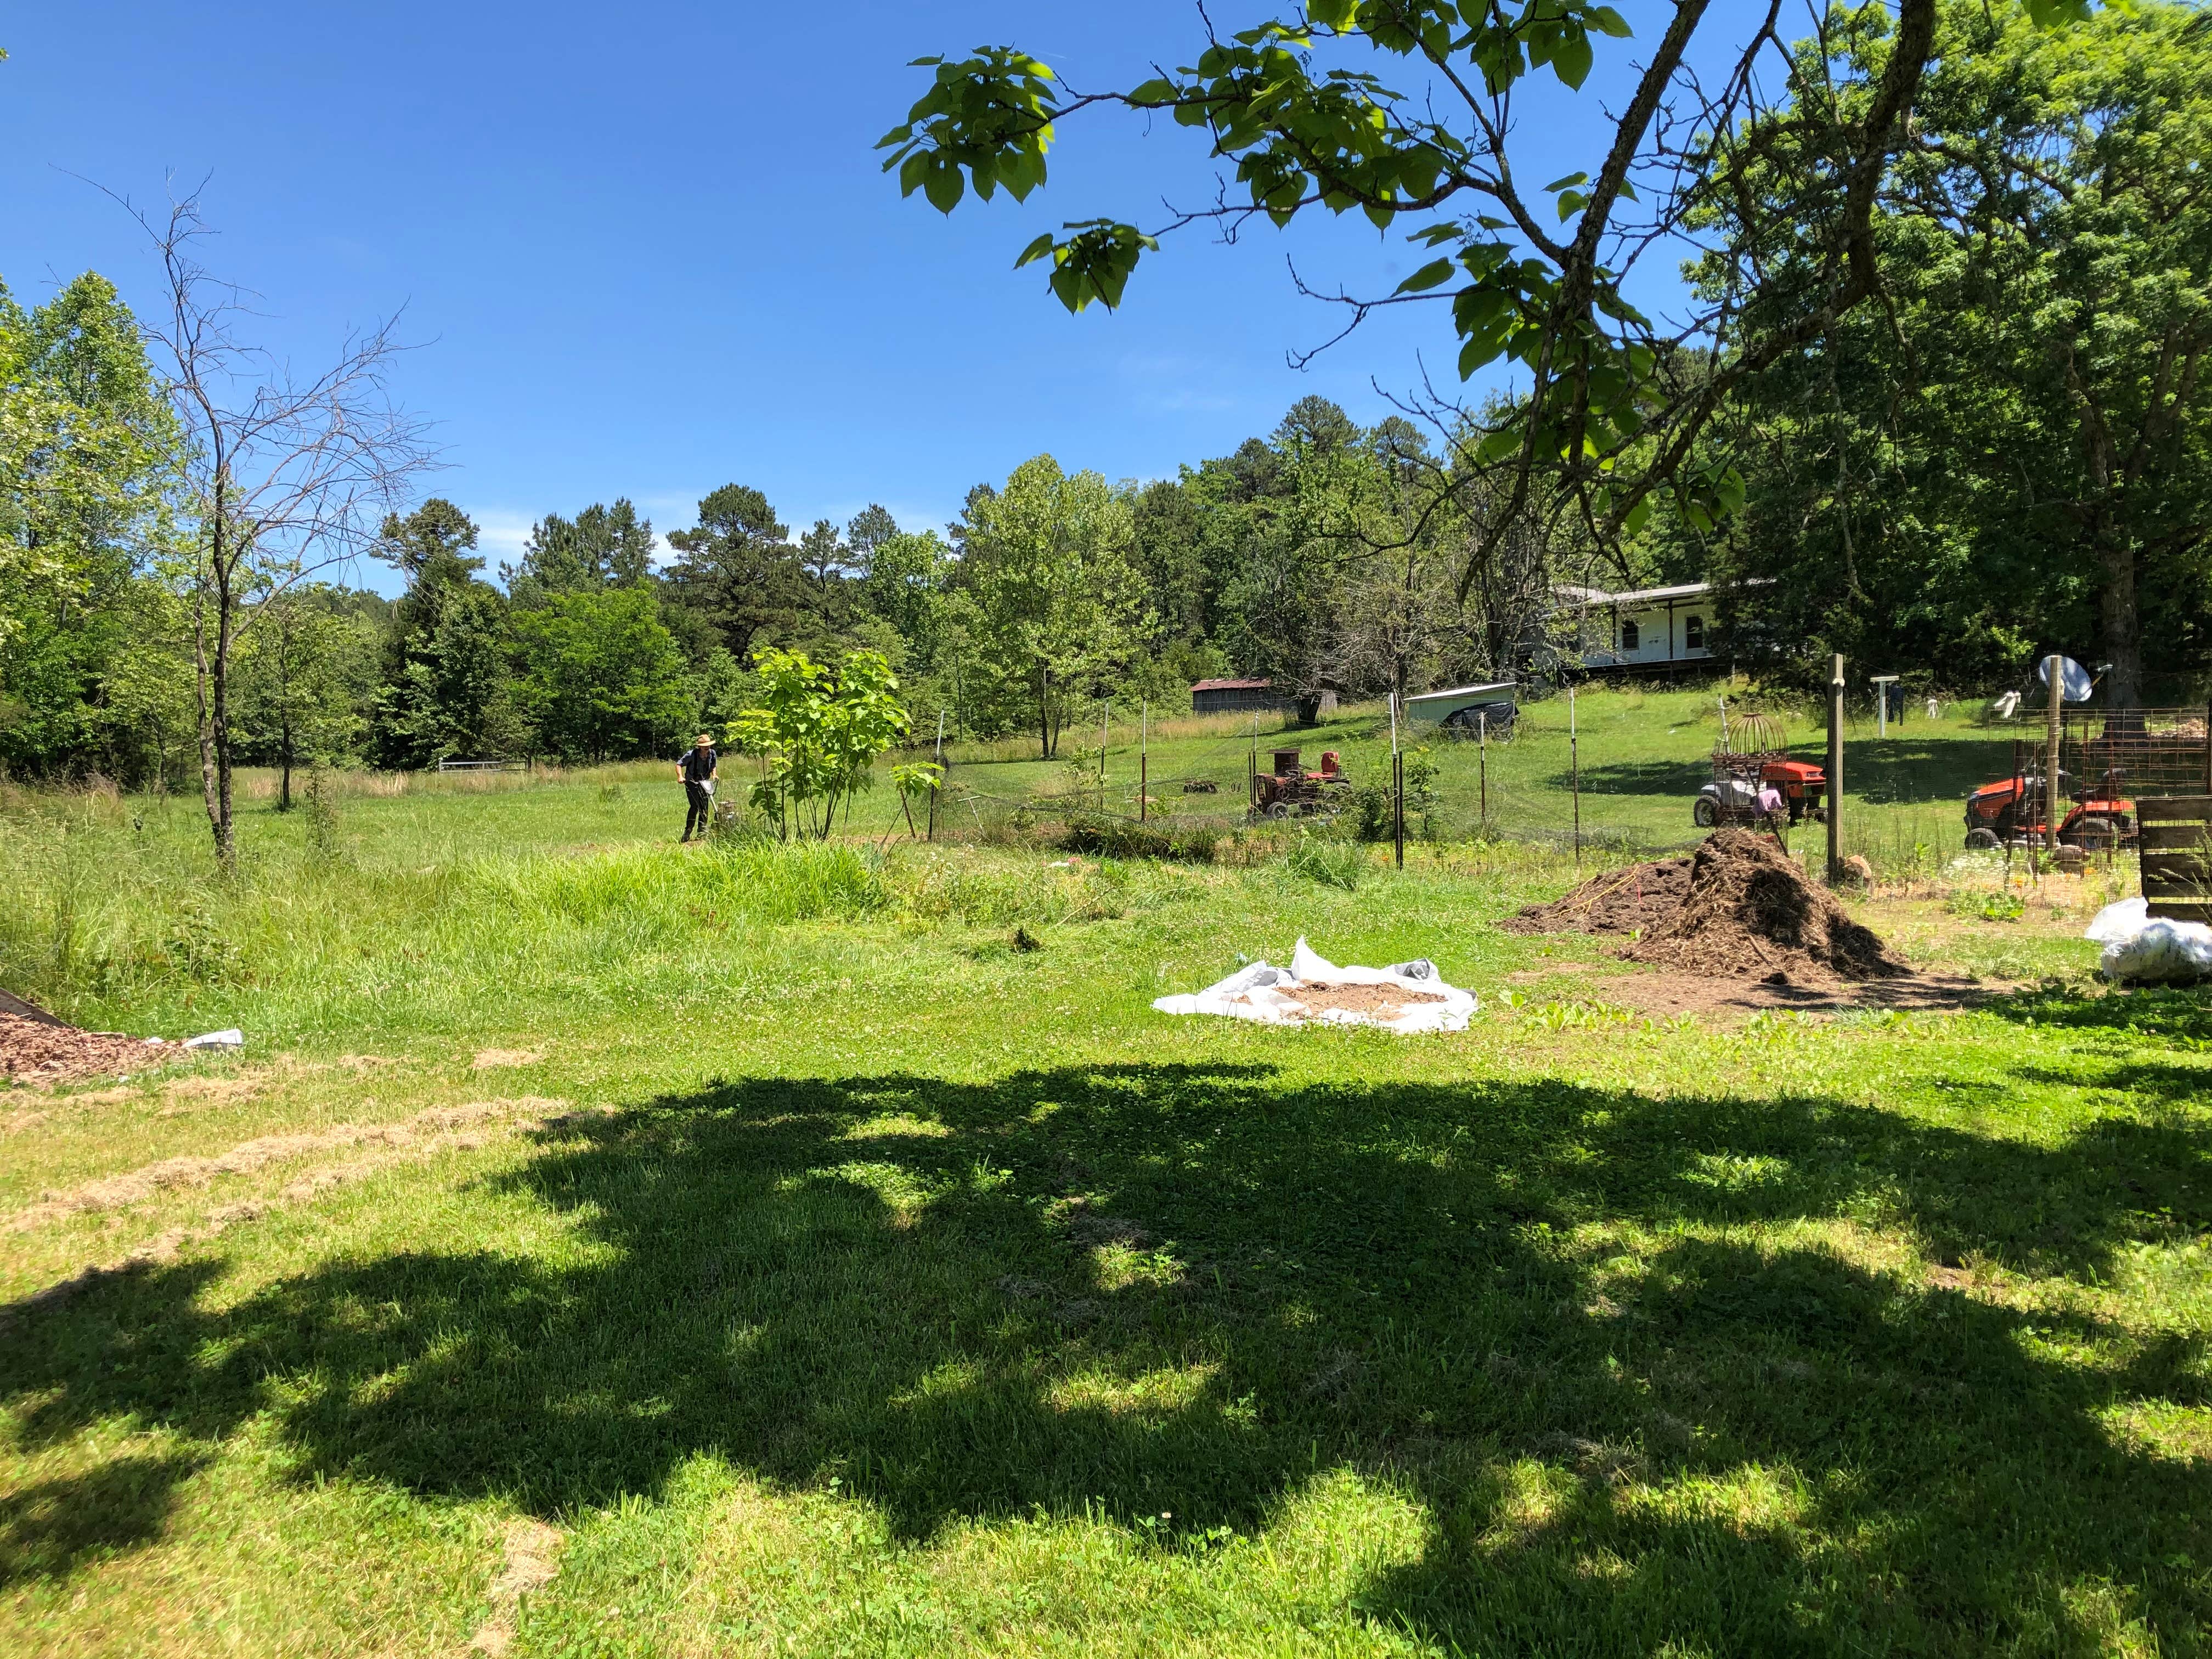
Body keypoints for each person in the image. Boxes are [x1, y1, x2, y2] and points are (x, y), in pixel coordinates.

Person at [676, 732, 718, 842]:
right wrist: (680, 777)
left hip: (705, 783)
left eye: (708, 746)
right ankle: (688, 831)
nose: (707, 748)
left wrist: (714, 775)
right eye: (705, 747)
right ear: (700, 747)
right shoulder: (691, 754)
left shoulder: (712, 754)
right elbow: (679, 764)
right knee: (695, 806)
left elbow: (713, 765)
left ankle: (702, 832)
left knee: (704, 807)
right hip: (692, 782)